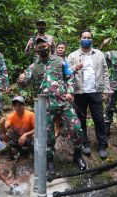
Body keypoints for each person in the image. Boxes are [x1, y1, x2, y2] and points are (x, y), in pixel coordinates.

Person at [18, 37, 87, 173]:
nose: (41, 48)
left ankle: (78, 156)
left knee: (76, 129)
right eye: (38, 47)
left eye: (43, 45)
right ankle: (50, 162)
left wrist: (70, 92)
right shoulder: (33, 66)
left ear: (49, 45)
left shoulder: (60, 61)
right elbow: (24, 83)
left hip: (63, 103)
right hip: (45, 108)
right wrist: (20, 80)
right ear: (35, 50)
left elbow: (69, 77)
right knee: (47, 137)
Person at [68, 29, 111, 159]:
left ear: (92, 39)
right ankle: (85, 143)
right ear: (79, 39)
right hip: (79, 92)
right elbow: (67, 73)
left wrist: (107, 89)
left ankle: (102, 145)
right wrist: (75, 67)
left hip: (95, 91)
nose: (86, 39)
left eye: (89, 37)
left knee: (99, 119)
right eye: (84, 37)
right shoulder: (73, 56)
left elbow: (105, 72)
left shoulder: (98, 54)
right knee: (81, 120)